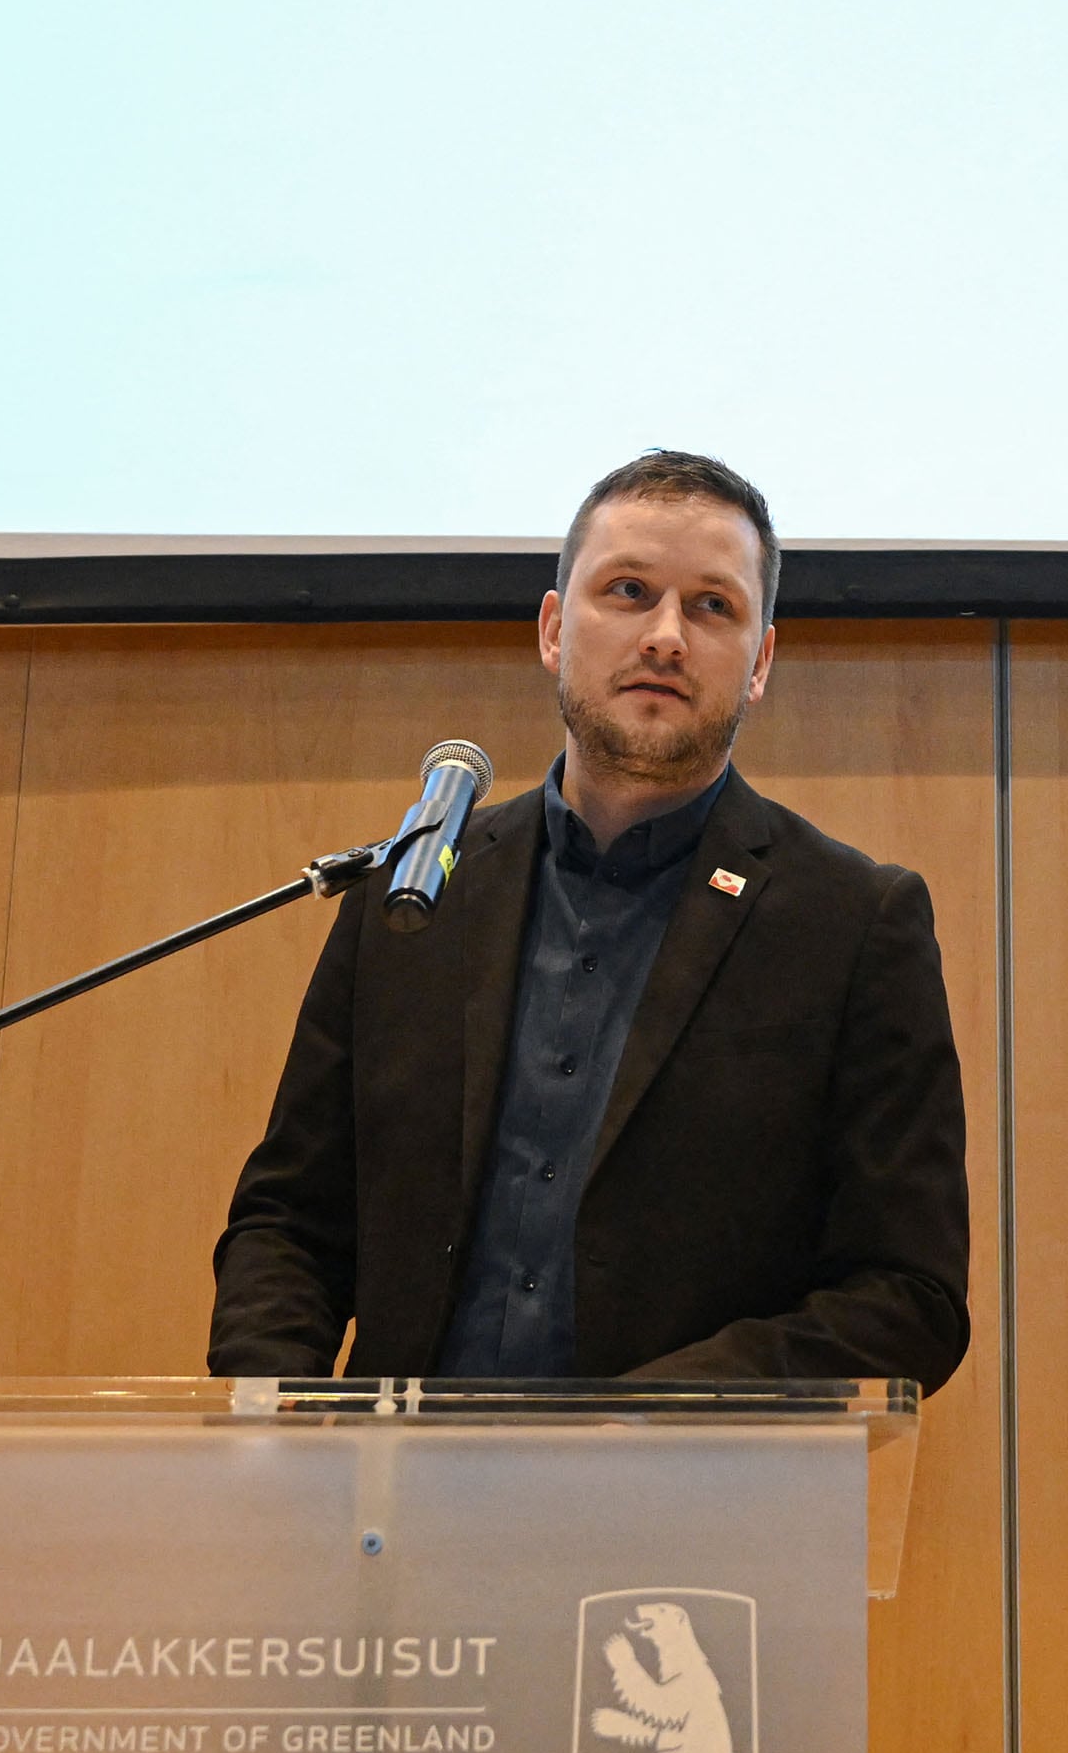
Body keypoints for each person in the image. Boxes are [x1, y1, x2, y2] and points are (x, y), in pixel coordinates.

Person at [207, 450, 971, 1387]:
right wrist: (285, 1425)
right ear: (553, 629)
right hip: (392, 1510)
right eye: (628, 590)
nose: (664, 636)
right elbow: (288, 1223)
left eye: (712, 606)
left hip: (686, 1507)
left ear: (761, 660)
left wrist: (638, 1425)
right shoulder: (411, 896)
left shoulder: (853, 924)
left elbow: (908, 1294)